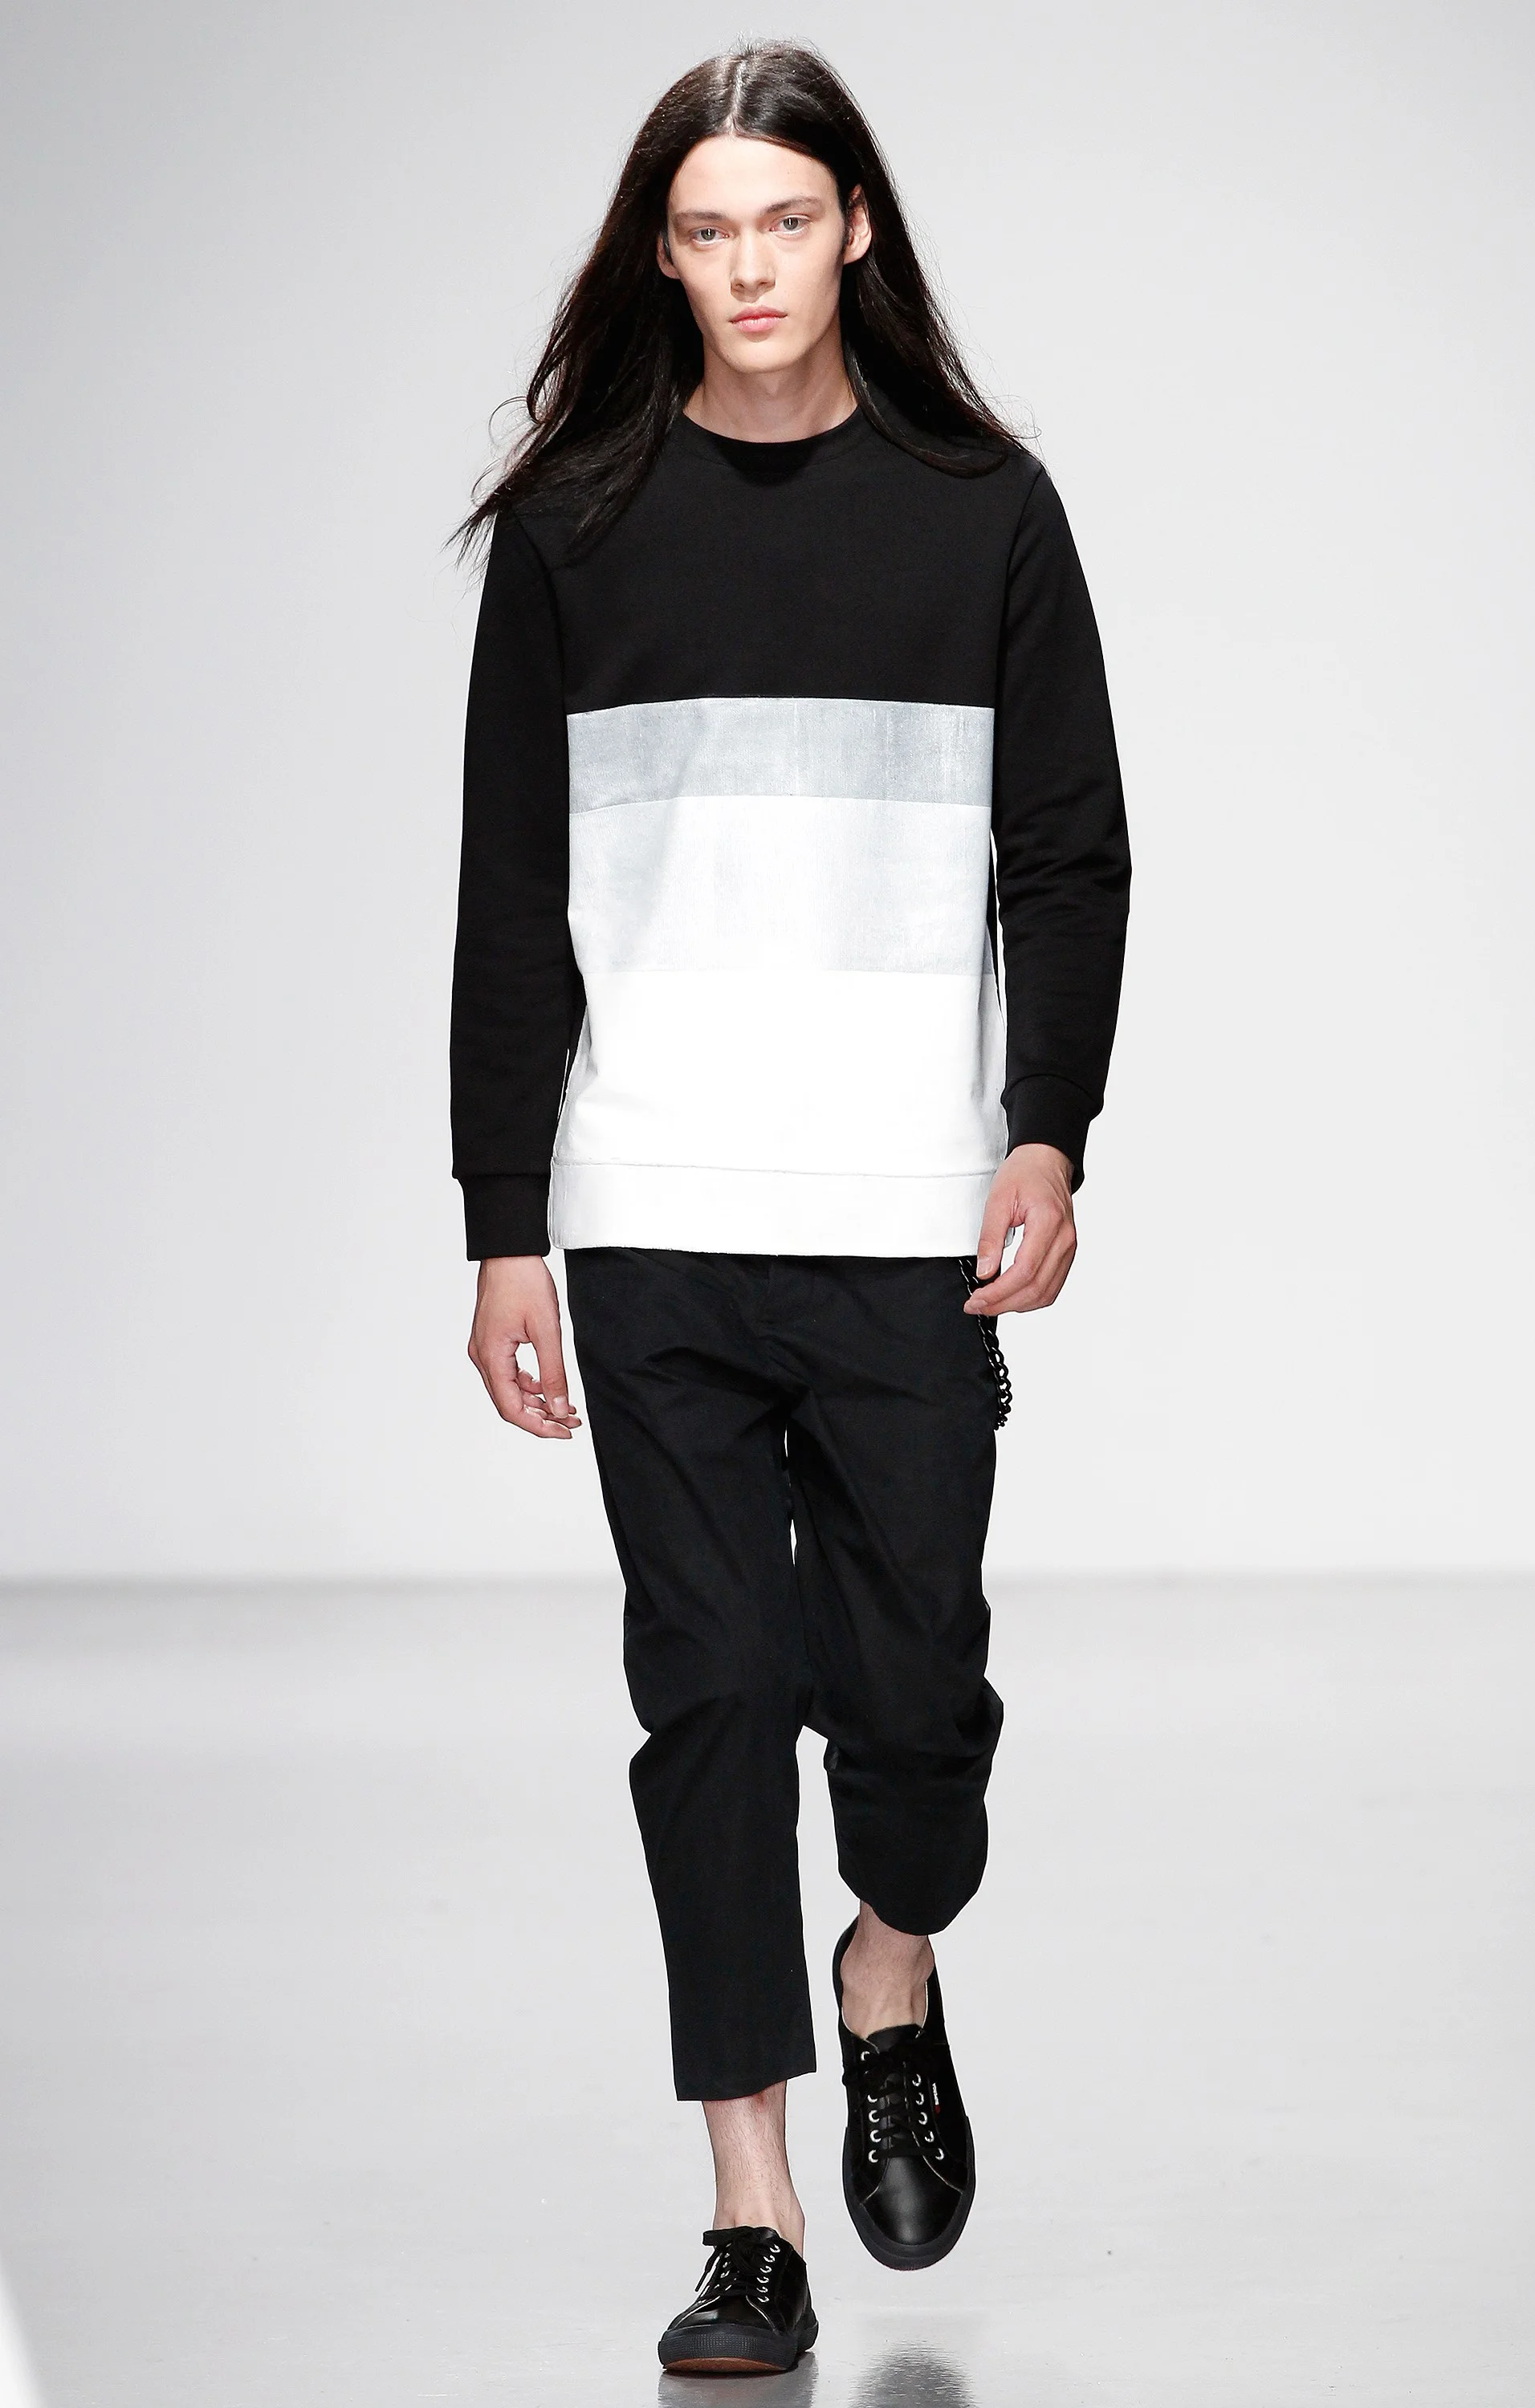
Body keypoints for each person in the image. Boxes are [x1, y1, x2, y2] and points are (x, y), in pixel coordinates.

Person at [450, 40, 1129, 2378]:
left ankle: (893, 1960)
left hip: (905, 1211)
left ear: (856, 230)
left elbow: (1069, 851)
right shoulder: (573, 531)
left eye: (786, 219)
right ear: (663, 254)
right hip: (653, 1202)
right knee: (714, 1689)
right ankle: (751, 2205)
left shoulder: (984, 512)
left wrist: (1046, 1131)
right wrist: (505, 1219)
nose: (749, 265)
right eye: (706, 227)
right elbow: (507, 902)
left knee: (914, 1699)